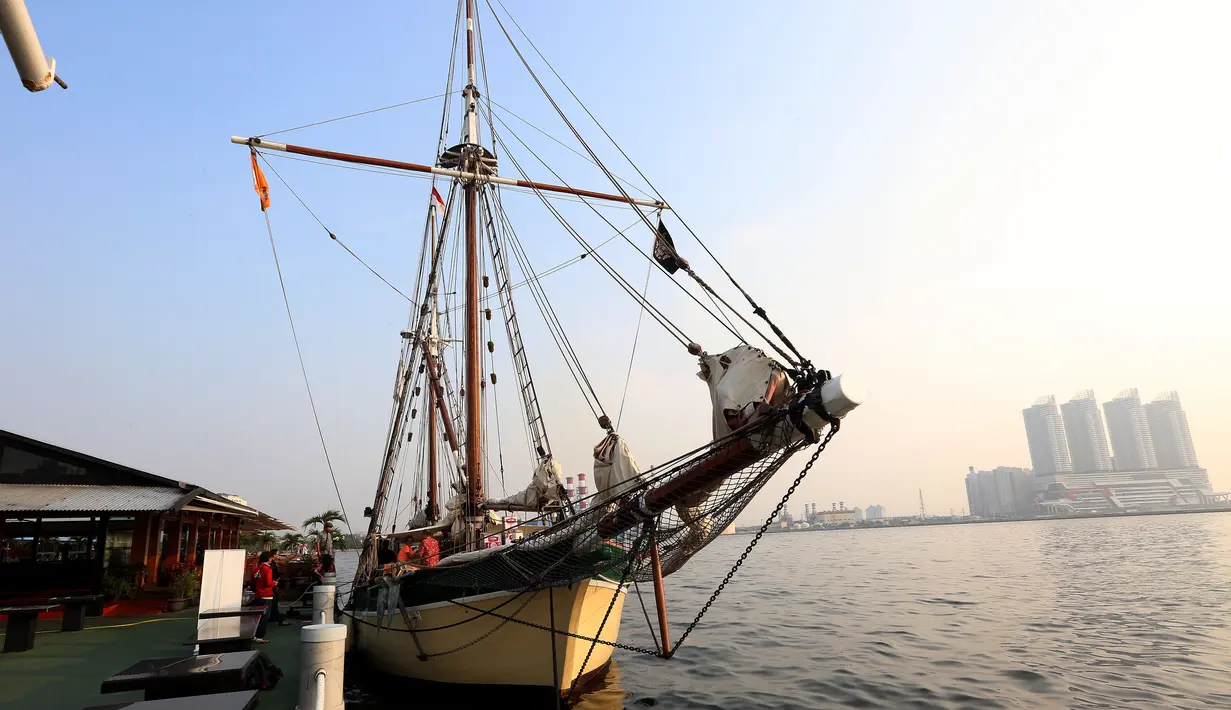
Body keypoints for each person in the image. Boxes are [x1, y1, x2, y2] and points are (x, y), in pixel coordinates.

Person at [250, 551, 276, 643]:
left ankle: (253, 635)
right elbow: (268, 583)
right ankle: (259, 636)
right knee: (264, 617)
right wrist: (274, 583)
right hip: (267, 595)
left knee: (257, 617)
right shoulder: (268, 569)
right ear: (268, 559)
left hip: (258, 595)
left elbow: (252, 581)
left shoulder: (256, 569)